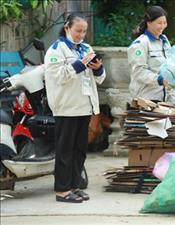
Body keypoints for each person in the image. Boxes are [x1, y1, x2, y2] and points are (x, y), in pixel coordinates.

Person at [44, 13, 106, 203]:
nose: (81, 34)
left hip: (84, 106)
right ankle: (62, 190)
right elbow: (58, 76)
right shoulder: (56, 49)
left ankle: (74, 186)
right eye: (78, 30)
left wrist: (97, 68)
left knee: (79, 150)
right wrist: (80, 64)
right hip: (66, 107)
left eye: (84, 31)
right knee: (65, 150)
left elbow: (99, 78)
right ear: (67, 28)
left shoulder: (86, 48)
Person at [127, 5, 172, 102]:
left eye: (164, 22)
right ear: (149, 22)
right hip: (146, 98)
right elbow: (138, 72)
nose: (163, 26)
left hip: (164, 99)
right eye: (159, 23)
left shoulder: (164, 41)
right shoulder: (140, 44)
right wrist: (159, 80)